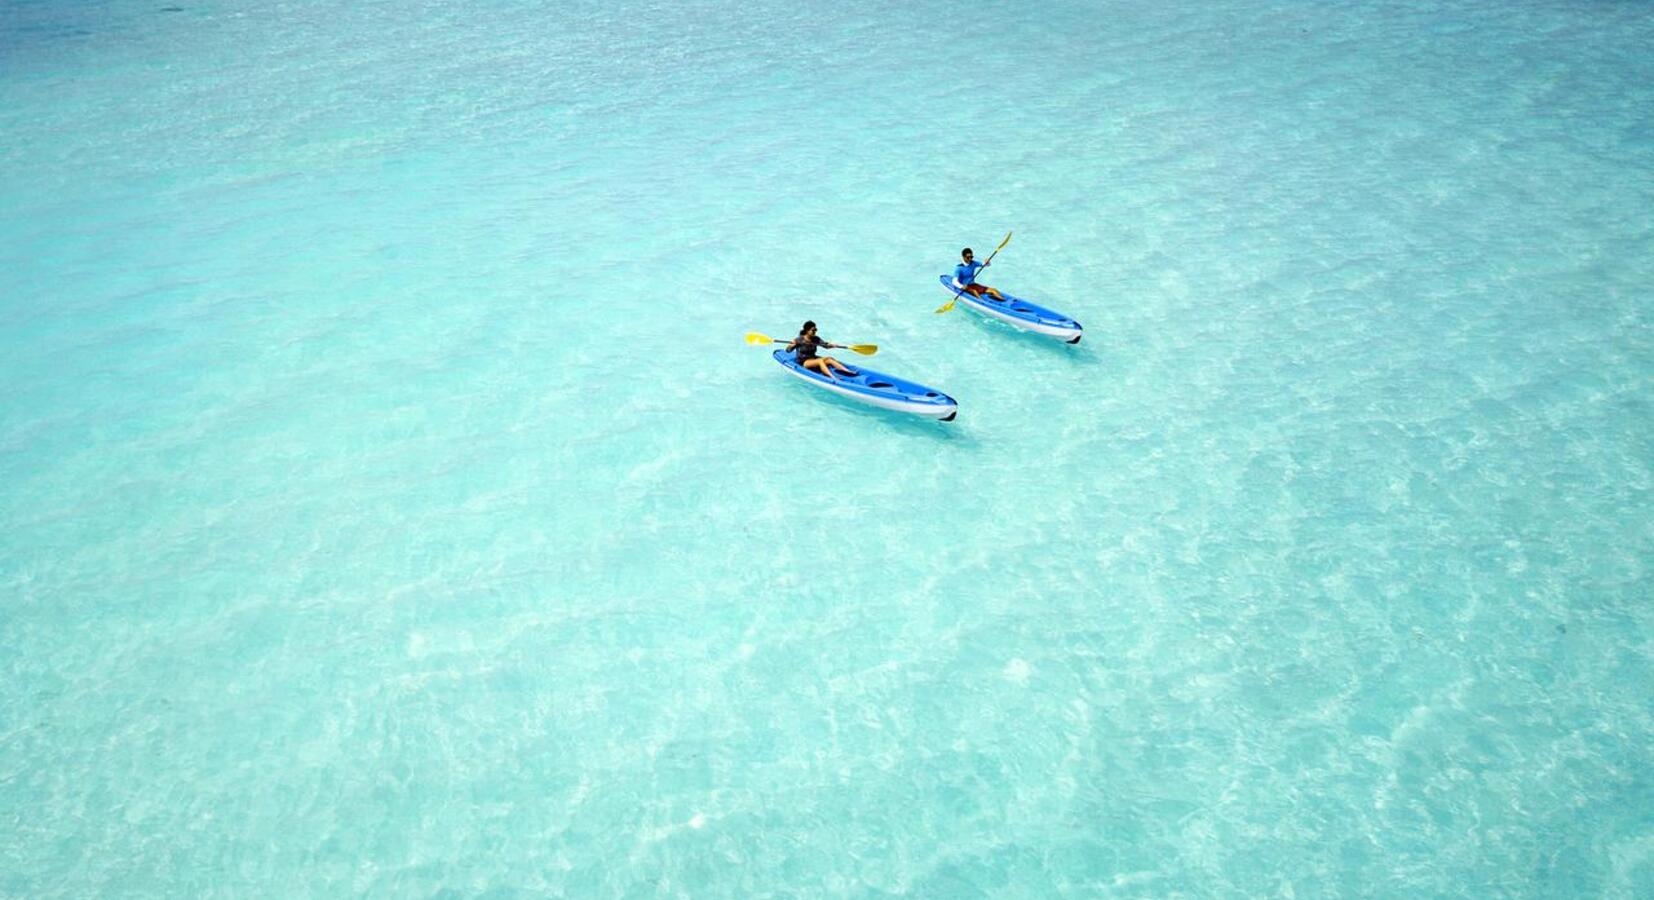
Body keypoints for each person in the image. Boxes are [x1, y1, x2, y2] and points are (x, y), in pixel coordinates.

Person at [786, 321, 857, 380]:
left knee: (829, 358)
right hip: (804, 362)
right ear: (807, 330)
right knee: (820, 361)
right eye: (813, 330)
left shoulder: (816, 339)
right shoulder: (799, 340)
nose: (815, 332)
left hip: (813, 358)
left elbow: (825, 345)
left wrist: (832, 345)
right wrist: (791, 345)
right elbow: (788, 351)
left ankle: (848, 371)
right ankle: (833, 377)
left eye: (815, 330)